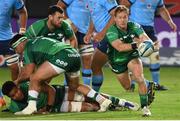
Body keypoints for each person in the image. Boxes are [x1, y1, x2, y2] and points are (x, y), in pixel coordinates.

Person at [9, 34, 112, 115]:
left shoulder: (27, 48)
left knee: (34, 78)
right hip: (74, 54)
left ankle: (31, 107)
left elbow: (28, 73)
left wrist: (17, 81)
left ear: (21, 43)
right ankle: (102, 101)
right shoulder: (36, 42)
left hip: (62, 55)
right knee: (74, 86)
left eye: (15, 48)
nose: (16, 52)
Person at [105, 5, 154, 116]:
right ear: (115, 19)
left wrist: (147, 44)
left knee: (139, 78)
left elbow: (145, 37)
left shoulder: (134, 26)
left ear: (128, 17)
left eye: (125, 17)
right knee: (127, 87)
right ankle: (144, 82)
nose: (122, 20)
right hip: (117, 61)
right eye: (120, 17)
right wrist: (137, 44)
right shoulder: (111, 31)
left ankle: (145, 107)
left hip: (132, 56)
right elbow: (119, 47)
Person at [121, 0, 177, 91]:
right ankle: (131, 84)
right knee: (133, 56)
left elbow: (162, 9)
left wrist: (170, 21)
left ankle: (156, 84)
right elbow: (123, 5)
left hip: (149, 29)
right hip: (135, 27)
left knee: (155, 55)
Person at [2, 81, 139, 114]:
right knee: (90, 107)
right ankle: (114, 108)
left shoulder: (30, 86)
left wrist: (47, 107)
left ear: (18, 87)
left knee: (89, 97)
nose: (17, 95)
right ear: (9, 97)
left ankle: (123, 102)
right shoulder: (15, 106)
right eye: (13, 95)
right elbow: (10, 109)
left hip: (59, 93)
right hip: (57, 107)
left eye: (16, 91)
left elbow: (50, 90)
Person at [57, 0, 94, 86]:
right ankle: (67, 88)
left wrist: (90, 31)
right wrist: (69, 23)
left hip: (85, 32)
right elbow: (59, 6)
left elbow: (95, 14)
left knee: (87, 60)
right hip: (71, 31)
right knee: (70, 60)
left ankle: (87, 89)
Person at [84, 0, 118, 92]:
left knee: (95, 65)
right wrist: (89, 32)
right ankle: (146, 83)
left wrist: (103, 33)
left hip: (111, 35)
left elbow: (116, 14)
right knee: (123, 72)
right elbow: (93, 16)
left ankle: (94, 96)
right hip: (107, 37)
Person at [0, 0, 27, 107]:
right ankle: (0, 98)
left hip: (7, 39)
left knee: (15, 69)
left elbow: (22, 12)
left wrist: (22, 31)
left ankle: (17, 97)